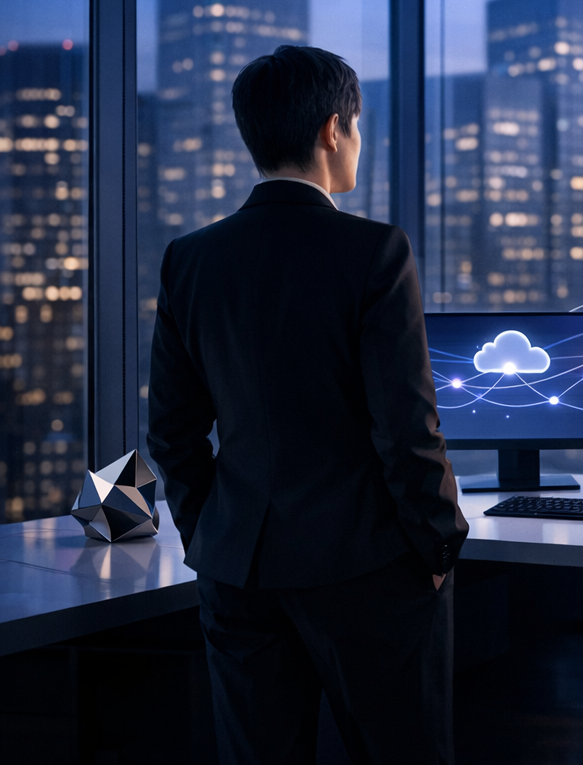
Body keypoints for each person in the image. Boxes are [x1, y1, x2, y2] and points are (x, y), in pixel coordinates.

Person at [147, 45, 467, 764]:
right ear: (332, 130)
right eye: (356, 127)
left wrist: (212, 537)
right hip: (367, 569)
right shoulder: (374, 251)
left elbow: (171, 432)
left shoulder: (190, 258)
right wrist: (440, 543)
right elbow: (406, 427)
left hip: (238, 571)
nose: (358, 142)